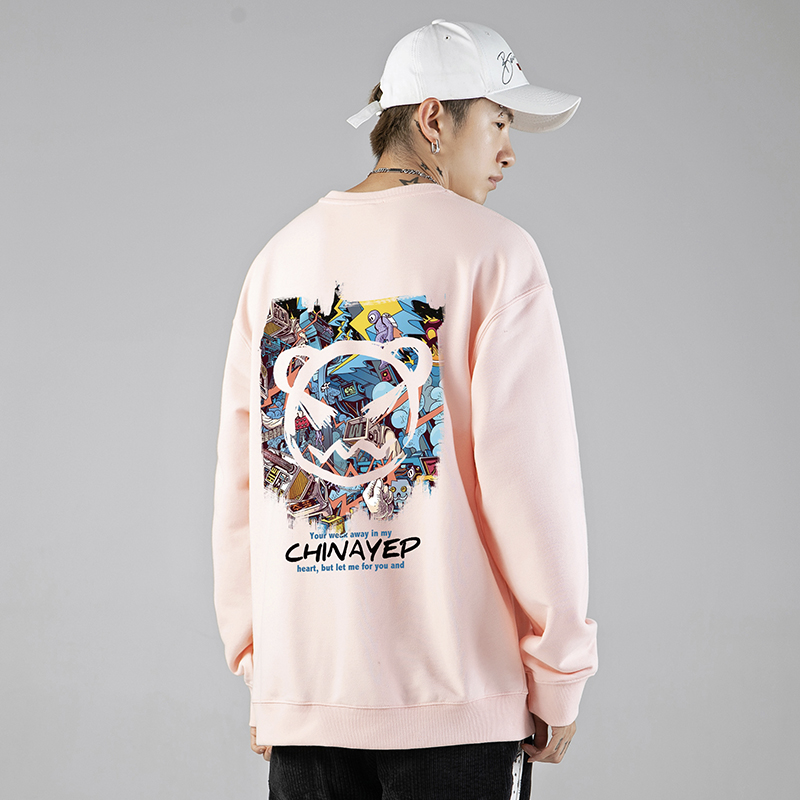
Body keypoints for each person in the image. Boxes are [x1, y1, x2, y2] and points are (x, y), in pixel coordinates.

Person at [211, 19, 598, 799]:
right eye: (498, 122)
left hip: (309, 704)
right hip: (457, 709)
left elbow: (242, 489)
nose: (509, 152)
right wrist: (559, 672)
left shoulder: (277, 260)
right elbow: (532, 484)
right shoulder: (496, 254)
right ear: (431, 119)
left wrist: (268, 673)